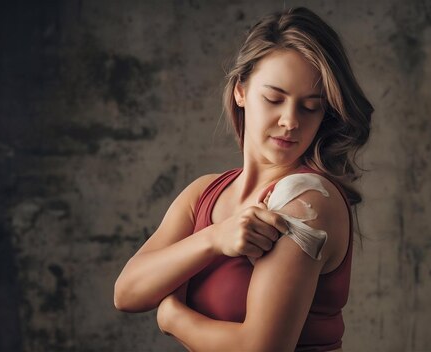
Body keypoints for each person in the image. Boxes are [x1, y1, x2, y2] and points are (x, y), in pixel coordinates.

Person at [114, 6, 373, 351]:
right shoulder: (204, 193)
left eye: (311, 106)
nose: (290, 121)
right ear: (240, 91)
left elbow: (260, 348)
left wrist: (172, 317)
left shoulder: (306, 199)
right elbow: (126, 292)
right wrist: (215, 238)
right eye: (274, 98)